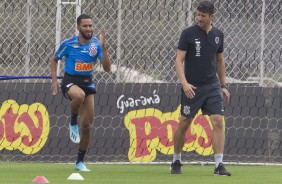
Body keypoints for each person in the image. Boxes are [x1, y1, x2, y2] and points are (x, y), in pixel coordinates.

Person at [170, 1, 231, 176]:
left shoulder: (219, 35)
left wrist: (223, 85)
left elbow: (220, 61)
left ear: (212, 17)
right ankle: (176, 160)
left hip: (212, 86)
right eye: (198, 15)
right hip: (192, 87)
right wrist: (184, 83)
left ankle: (219, 166)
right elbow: (178, 60)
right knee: (184, 122)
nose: (199, 18)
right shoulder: (187, 34)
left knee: (218, 120)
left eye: (203, 16)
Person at [50, 14, 111, 172]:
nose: (89, 28)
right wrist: (54, 80)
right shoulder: (69, 44)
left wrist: (103, 48)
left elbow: (107, 68)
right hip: (70, 82)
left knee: (87, 126)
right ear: (78, 28)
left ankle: (79, 162)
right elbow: (54, 60)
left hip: (87, 84)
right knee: (79, 96)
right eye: (85, 26)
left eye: (90, 26)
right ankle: (72, 122)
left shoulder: (96, 45)